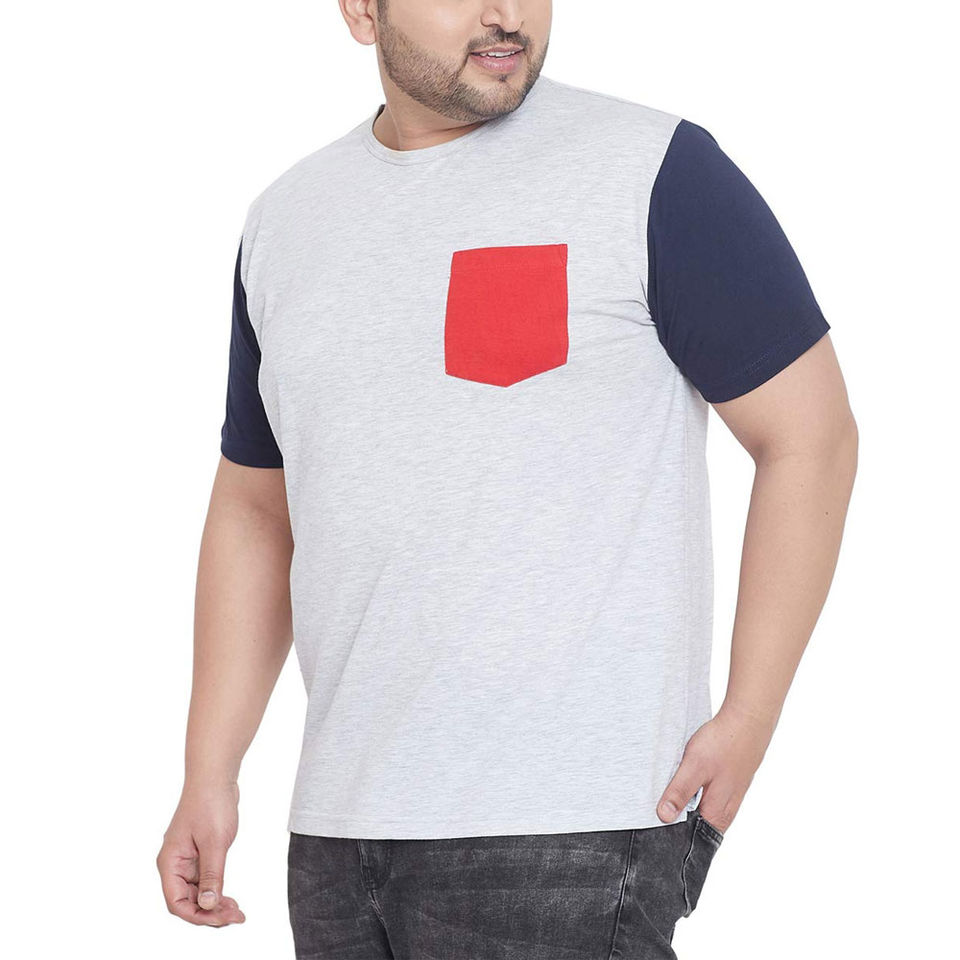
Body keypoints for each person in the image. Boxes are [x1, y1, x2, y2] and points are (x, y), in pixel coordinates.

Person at [156, 1, 858, 956]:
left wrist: (752, 714)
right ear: (362, 9)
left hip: (571, 827)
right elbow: (255, 507)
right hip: (337, 834)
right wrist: (210, 770)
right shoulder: (286, 221)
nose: (505, 14)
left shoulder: (653, 169)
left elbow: (811, 435)